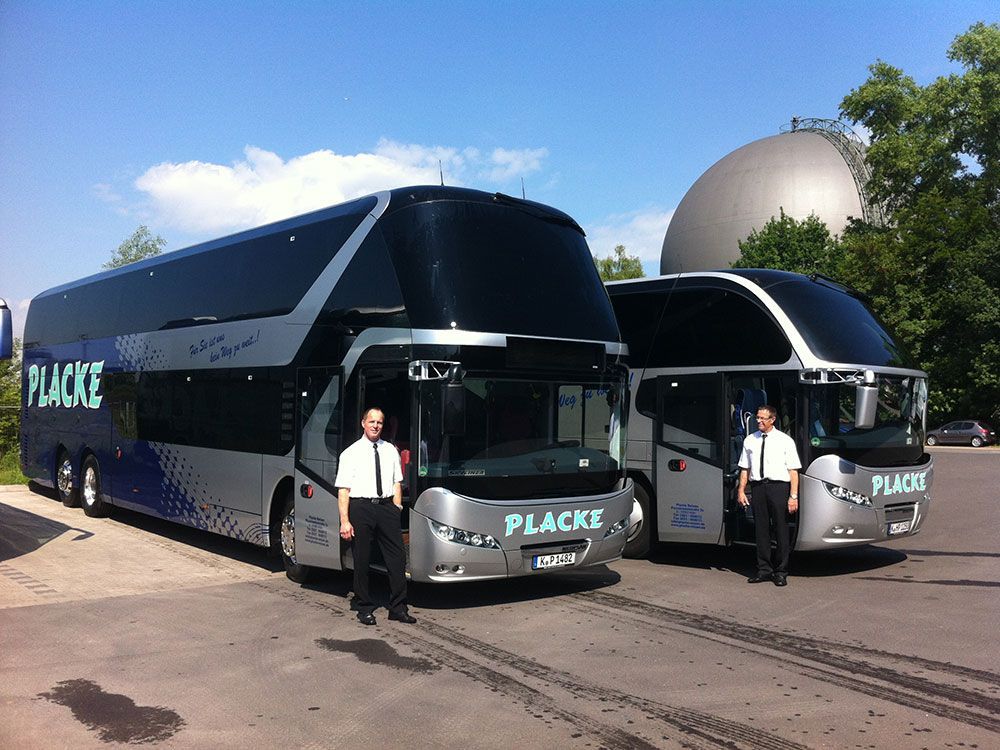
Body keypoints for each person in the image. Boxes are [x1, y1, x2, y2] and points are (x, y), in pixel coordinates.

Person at [335, 408, 416, 625]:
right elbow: (343, 490)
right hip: (361, 508)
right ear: (363, 423)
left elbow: (396, 482)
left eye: (379, 422)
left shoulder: (390, 450)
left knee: (397, 559)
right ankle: (364, 607)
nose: (375, 426)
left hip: (386, 508)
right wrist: (345, 520)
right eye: (371, 421)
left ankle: (398, 608)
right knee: (362, 559)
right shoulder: (350, 453)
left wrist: (396, 507)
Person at [737, 404, 801, 587]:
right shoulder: (750, 440)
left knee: (781, 529)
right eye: (757, 417)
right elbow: (745, 468)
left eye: (762, 418)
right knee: (761, 530)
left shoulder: (785, 440)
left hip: (779, 487)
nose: (758, 421)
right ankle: (764, 569)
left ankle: (781, 571)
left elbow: (793, 471)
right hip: (758, 487)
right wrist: (741, 490)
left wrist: (793, 496)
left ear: (772, 419)